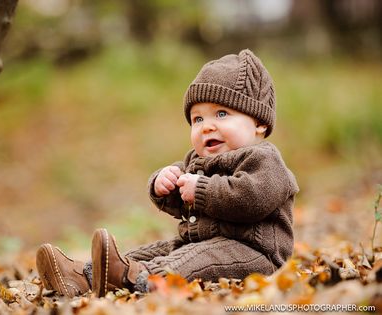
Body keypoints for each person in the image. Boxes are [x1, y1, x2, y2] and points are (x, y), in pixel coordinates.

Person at [36, 49, 299, 298]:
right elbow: (182, 199)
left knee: (193, 260)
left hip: (254, 252)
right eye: (198, 119)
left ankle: (140, 278)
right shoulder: (196, 160)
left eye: (221, 114)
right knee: (155, 250)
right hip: (200, 243)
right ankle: (87, 274)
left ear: (259, 123)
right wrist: (163, 186)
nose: (207, 127)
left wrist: (202, 191)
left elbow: (252, 199)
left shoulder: (264, 158)